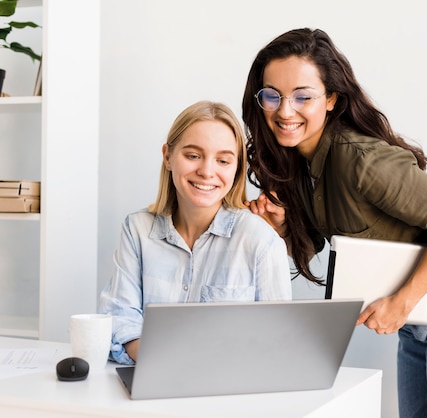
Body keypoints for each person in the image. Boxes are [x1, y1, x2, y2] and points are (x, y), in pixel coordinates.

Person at [242, 28, 427, 418]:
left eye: (302, 96)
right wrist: (284, 228)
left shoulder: (359, 158)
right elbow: (322, 244)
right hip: (418, 311)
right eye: (272, 95)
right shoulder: (300, 165)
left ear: (331, 99)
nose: (284, 110)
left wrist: (401, 302)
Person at [98, 100, 292, 365]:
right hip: (152, 377)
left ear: (236, 170)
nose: (206, 171)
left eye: (223, 160)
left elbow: (278, 341)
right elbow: (120, 317)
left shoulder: (261, 240)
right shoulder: (137, 230)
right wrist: (165, 363)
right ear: (168, 156)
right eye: (193, 156)